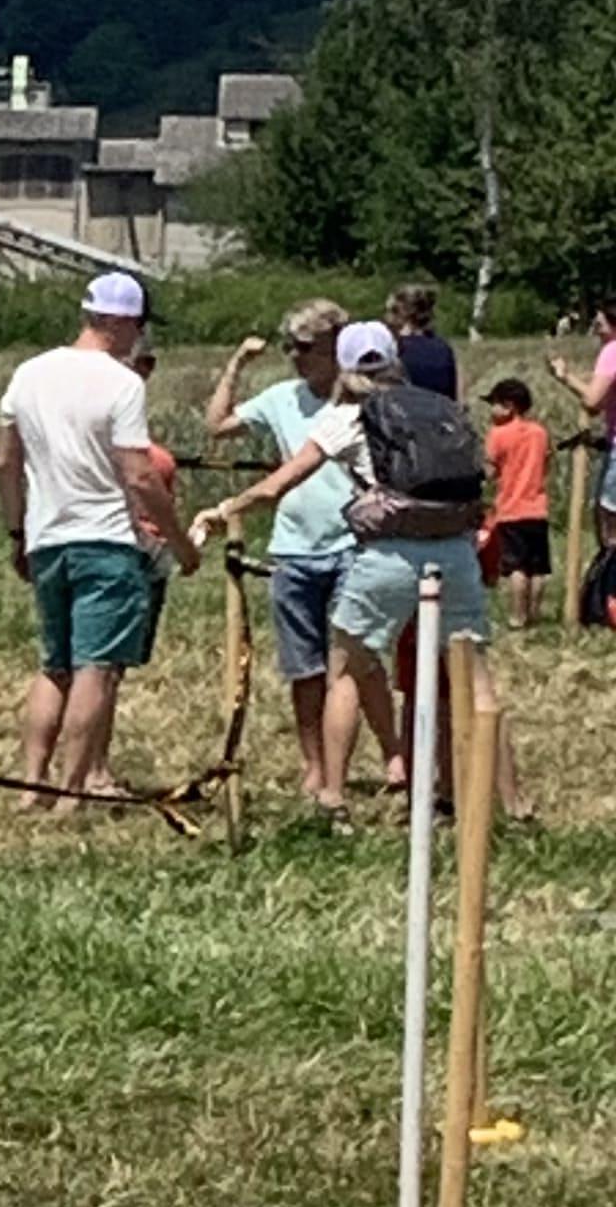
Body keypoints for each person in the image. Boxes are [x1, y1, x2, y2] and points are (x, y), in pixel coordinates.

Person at [196, 320, 517, 824]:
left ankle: (333, 798)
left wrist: (227, 509)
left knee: (346, 667)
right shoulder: (439, 409)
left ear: (344, 366)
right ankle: (504, 803)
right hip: (455, 550)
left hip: (389, 554)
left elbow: (278, 485)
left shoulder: (346, 418)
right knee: (474, 676)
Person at [0, 273, 177, 800]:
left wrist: (17, 531)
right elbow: (140, 475)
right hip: (107, 540)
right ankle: (75, 790)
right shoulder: (122, 383)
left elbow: (6, 463)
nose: (139, 338)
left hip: (46, 538)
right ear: (121, 323)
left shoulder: (28, 373)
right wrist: (179, 543)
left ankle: (32, 782)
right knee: (94, 668)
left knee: (54, 666)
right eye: (139, 326)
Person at [204, 301, 386, 801]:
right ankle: (315, 764)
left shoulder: (361, 401)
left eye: (304, 347)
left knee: (353, 660)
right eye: (289, 346)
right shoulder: (281, 397)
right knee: (304, 669)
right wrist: (237, 365)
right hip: (295, 548)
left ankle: (382, 755)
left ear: (335, 346)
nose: (294, 356)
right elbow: (217, 426)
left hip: (352, 543)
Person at [123, 341, 202, 652]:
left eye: (148, 363)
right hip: (132, 551)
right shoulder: (146, 458)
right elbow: (142, 478)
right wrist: (182, 546)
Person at [478, 376, 556, 628]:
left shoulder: (498, 434)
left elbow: (490, 472)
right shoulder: (539, 432)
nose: (491, 410)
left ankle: (517, 615)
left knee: (516, 568)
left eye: (494, 404)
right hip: (538, 508)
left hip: (511, 509)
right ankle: (534, 614)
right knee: (538, 569)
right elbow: (547, 462)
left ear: (509, 406)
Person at [544, 301, 616, 574]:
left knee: (608, 519)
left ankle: (609, 582)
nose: (596, 330)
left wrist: (565, 377)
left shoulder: (612, 351)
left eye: (599, 324)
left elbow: (593, 401)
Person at [391, 279, 461, 400]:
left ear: (400, 314)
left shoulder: (395, 349)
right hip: (440, 410)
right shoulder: (444, 348)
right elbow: (456, 397)